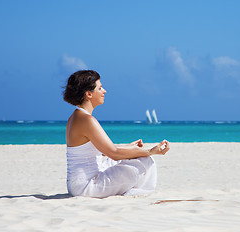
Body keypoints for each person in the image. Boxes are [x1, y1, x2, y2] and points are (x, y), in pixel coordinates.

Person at [63, 70, 170, 198]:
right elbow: (113, 153)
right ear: (88, 94)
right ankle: (133, 193)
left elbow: (103, 151)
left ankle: (130, 188)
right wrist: (150, 151)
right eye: (100, 88)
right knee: (145, 161)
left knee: (135, 157)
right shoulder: (87, 120)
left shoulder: (76, 116)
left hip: (78, 184)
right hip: (86, 187)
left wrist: (130, 147)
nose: (104, 91)